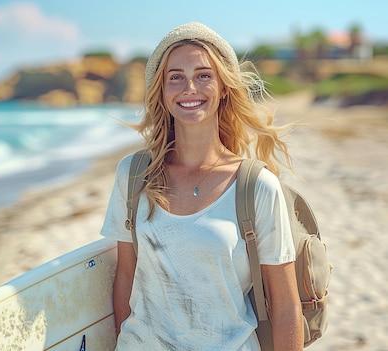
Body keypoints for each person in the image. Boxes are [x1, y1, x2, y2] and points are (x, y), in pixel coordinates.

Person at [100, 22, 303, 350]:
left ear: (223, 87)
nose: (189, 87)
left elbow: (285, 308)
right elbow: (126, 277)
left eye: (204, 75)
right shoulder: (134, 175)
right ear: (162, 91)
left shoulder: (256, 187)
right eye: (175, 77)